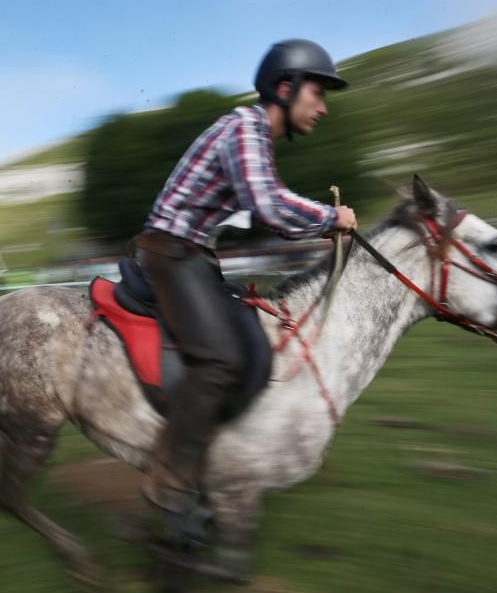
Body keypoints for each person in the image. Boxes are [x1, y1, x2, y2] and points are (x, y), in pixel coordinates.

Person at [135, 39, 359, 546]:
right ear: (285, 88)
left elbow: (272, 216)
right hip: (172, 251)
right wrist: (332, 218)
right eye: (317, 93)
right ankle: (168, 486)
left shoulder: (256, 137)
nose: (322, 107)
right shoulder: (245, 128)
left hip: (191, 253)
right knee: (219, 361)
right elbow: (272, 208)